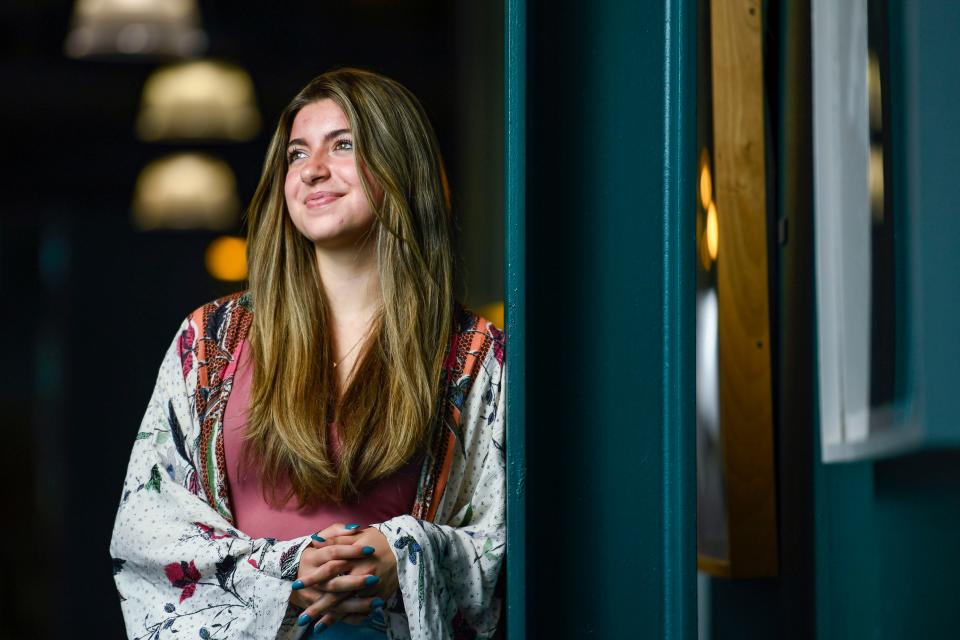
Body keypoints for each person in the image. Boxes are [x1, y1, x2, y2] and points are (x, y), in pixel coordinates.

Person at [110, 68, 506, 640]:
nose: (313, 169)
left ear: (402, 166)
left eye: (343, 145)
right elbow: (146, 533)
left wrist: (404, 555)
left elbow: (508, 540)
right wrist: (286, 571)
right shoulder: (209, 339)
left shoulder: (474, 356)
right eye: (297, 154)